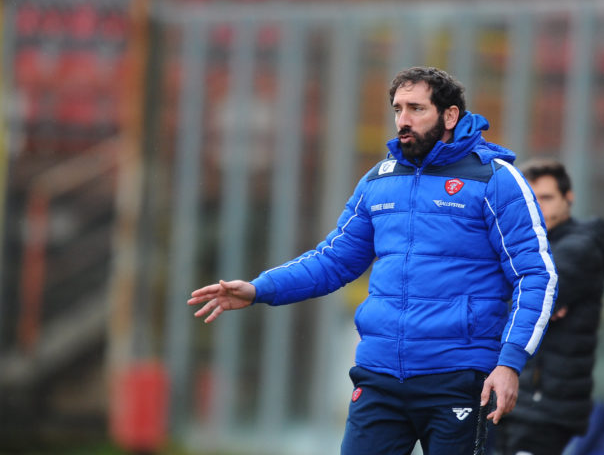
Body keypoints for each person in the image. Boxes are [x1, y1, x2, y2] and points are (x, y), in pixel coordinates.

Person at [187, 66, 557, 455]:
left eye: (416, 108)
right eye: (398, 109)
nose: (403, 120)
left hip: (461, 378)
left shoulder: (495, 180)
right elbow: (334, 260)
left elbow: (536, 276)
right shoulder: (379, 180)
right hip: (379, 377)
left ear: (450, 116)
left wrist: (509, 363)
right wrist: (259, 288)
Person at [493, 158, 604, 455]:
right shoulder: (523, 249)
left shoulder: (580, 247)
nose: (538, 207)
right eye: (531, 199)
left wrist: (526, 300)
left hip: (545, 408)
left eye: (546, 198)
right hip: (512, 399)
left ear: (568, 198)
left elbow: (527, 302)